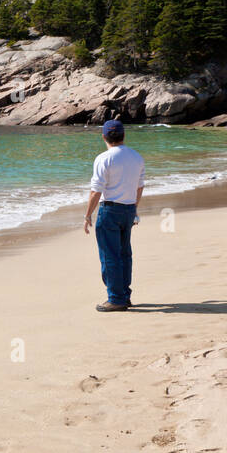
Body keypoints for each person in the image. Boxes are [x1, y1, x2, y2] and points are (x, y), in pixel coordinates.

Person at [83, 119, 145, 312]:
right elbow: (139, 186)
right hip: (128, 209)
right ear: (124, 135)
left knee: (110, 255)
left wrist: (87, 215)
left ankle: (116, 298)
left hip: (110, 210)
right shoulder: (136, 157)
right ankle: (124, 295)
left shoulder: (103, 158)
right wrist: (134, 209)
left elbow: (96, 191)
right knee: (124, 254)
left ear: (104, 137)